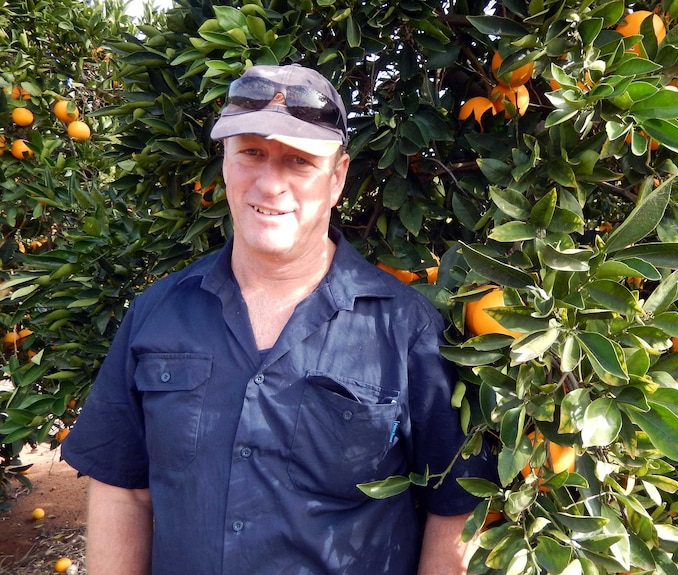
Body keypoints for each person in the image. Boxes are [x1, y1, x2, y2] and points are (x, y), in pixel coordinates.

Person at [61, 64, 494, 575]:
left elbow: (457, 510)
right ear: (224, 162)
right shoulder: (158, 313)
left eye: (298, 161)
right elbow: (123, 491)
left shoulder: (408, 330)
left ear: (336, 179)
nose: (270, 185)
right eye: (251, 153)